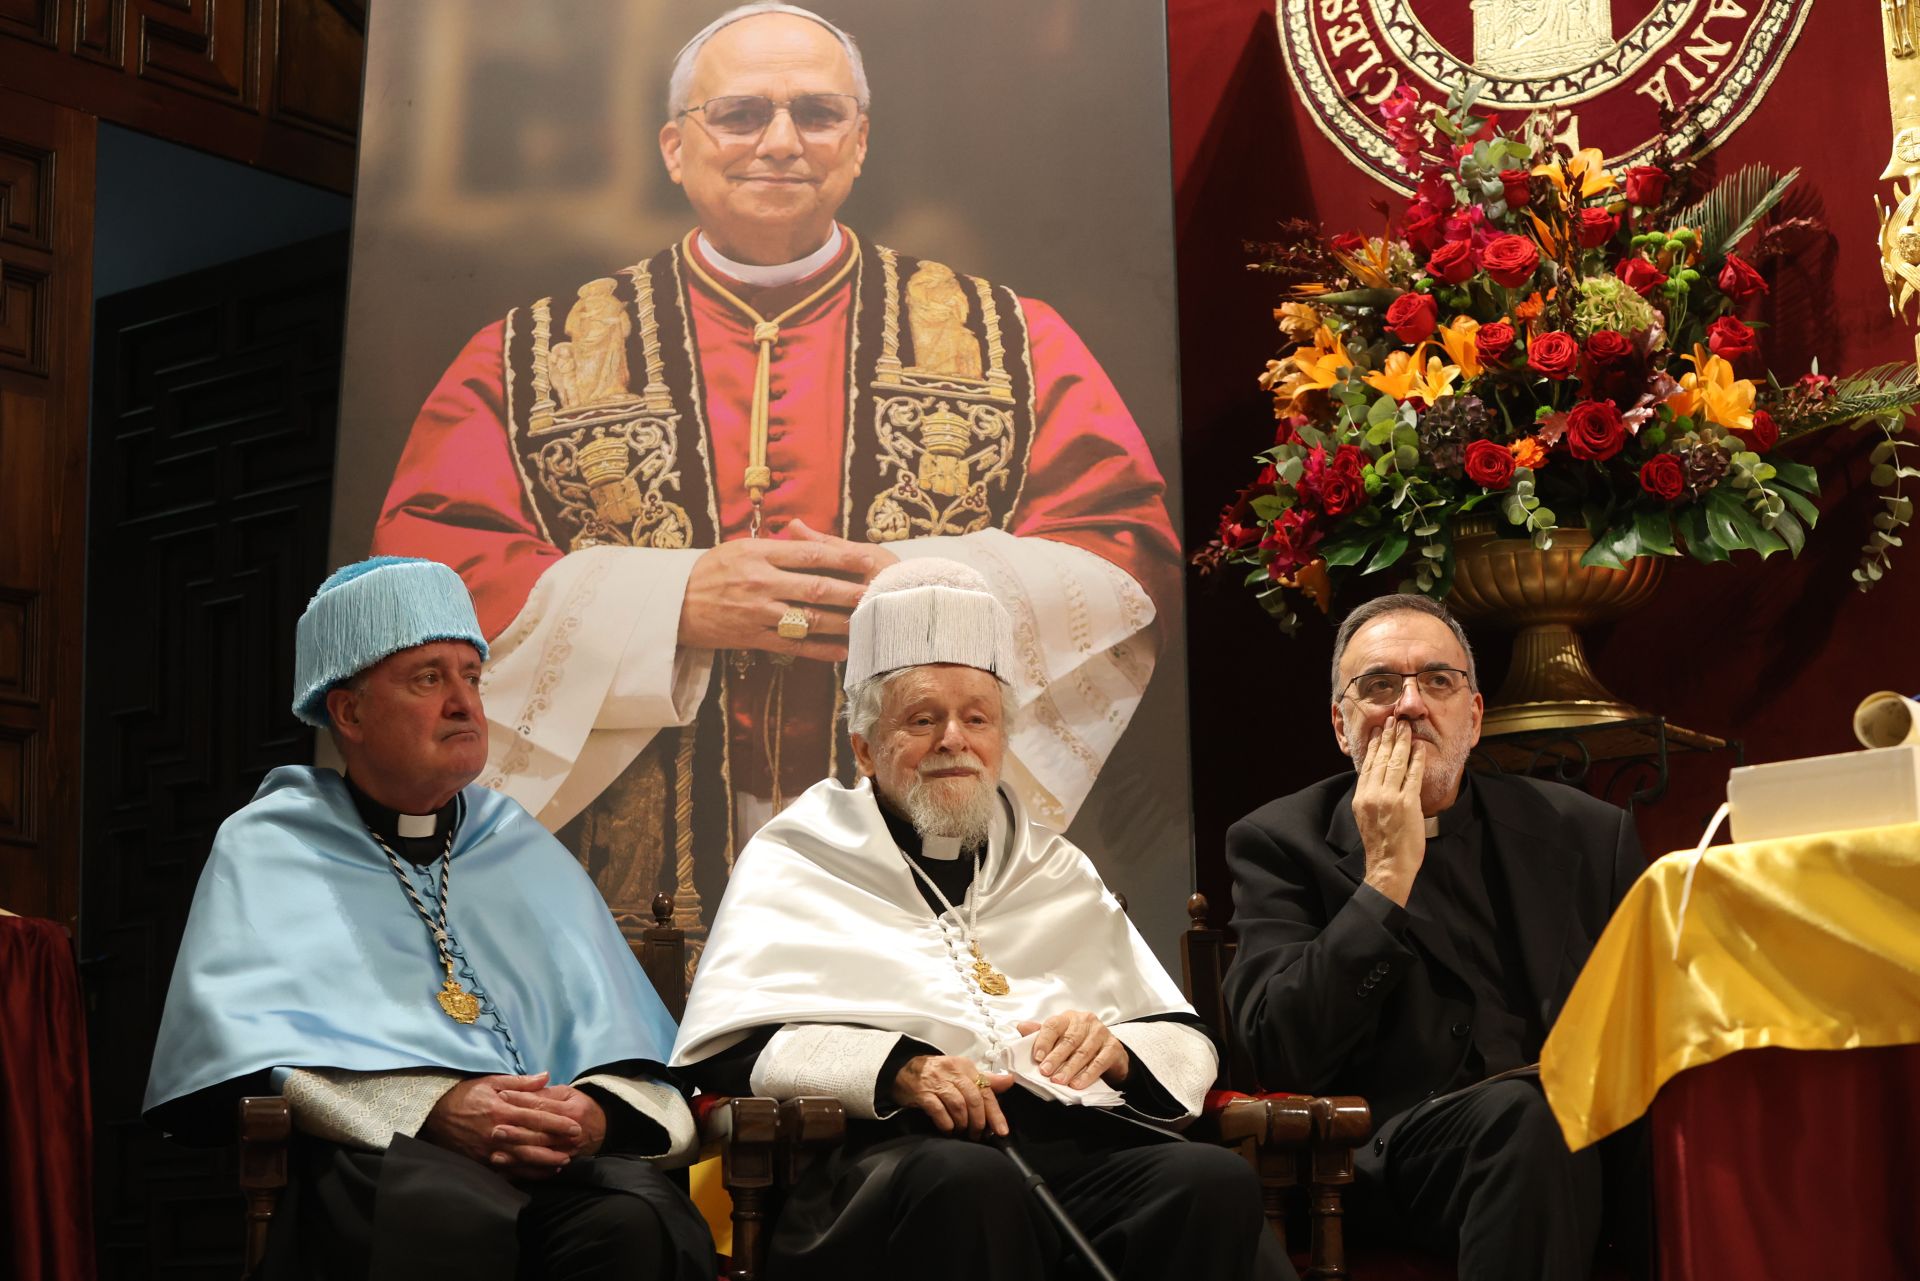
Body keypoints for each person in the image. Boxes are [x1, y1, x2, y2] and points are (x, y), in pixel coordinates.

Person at [370, 2, 1178, 954]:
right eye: (742, 113)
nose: (782, 142)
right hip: (624, 877)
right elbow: (419, 582)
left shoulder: (1012, 341)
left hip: (913, 848)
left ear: (861, 141)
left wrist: (925, 592)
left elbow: (1125, 557)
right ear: (675, 146)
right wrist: (668, 604)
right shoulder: (530, 355)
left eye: (818, 113)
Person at [671, 558, 1290, 1281]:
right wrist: (898, 1068)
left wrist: (1114, 1047)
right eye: (922, 718)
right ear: (865, 746)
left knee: (1208, 1180)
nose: (953, 740)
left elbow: (1177, 1034)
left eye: (977, 718)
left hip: (1069, 1154)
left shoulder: (1050, 866)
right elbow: (730, 1049)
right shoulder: (800, 854)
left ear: (1001, 738)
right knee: (969, 1181)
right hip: (883, 1164)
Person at [144, 556, 714, 1281]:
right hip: (381, 1164)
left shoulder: (515, 842)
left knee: (642, 1218)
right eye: (428, 678)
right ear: (348, 712)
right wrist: (434, 1105)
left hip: (549, 1165)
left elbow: (631, 1056)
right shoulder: (274, 845)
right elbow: (246, 1060)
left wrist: (591, 1115)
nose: (464, 704)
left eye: (471, 676)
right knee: (446, 1218)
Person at [1222, 593, 1648, 1281]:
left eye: (1438, 681)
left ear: (1473, 717)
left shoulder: (1587, 834)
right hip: (1385, 1152)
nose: (1410, 704)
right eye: (1380, 685)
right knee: (1529, 1117)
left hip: (1569, 1133)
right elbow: (1281, 1046)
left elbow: (1650, 1013)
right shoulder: (1278, 842)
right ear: (1341, 723)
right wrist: (1385, 877)